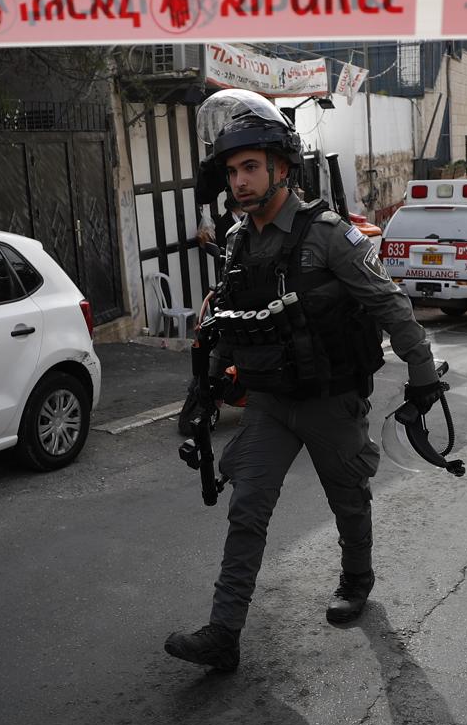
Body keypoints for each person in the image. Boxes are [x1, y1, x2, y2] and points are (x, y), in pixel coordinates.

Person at [164, 90, 444, 674]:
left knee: (348, 499)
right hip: (269, 402)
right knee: (248, 511)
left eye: (249, 168)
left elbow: (392, 307)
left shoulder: (330, 235)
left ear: (281, 168)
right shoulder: (239, 242)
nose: (238, 182)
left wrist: (422, 380)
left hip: (329, 398)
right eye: (231, 171)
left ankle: (356, 578)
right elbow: (236, 324)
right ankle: (224, 632)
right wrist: (208, 390)